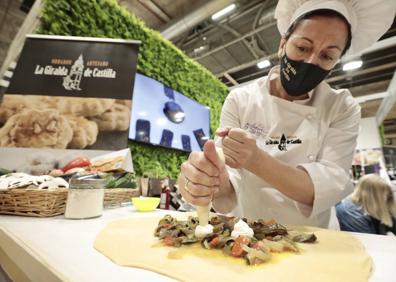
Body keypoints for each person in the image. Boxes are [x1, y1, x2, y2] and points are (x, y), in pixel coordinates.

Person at [178, 0, 396, 228]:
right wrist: (207, 181)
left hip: (312, 237)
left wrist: (256, 159)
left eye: (327, 56)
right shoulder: (241, 100)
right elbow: (228, 180)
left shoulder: (341, 107)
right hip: (247, 233)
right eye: (302, 48)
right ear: (282, 44)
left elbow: (328, 186)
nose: (311, 61)